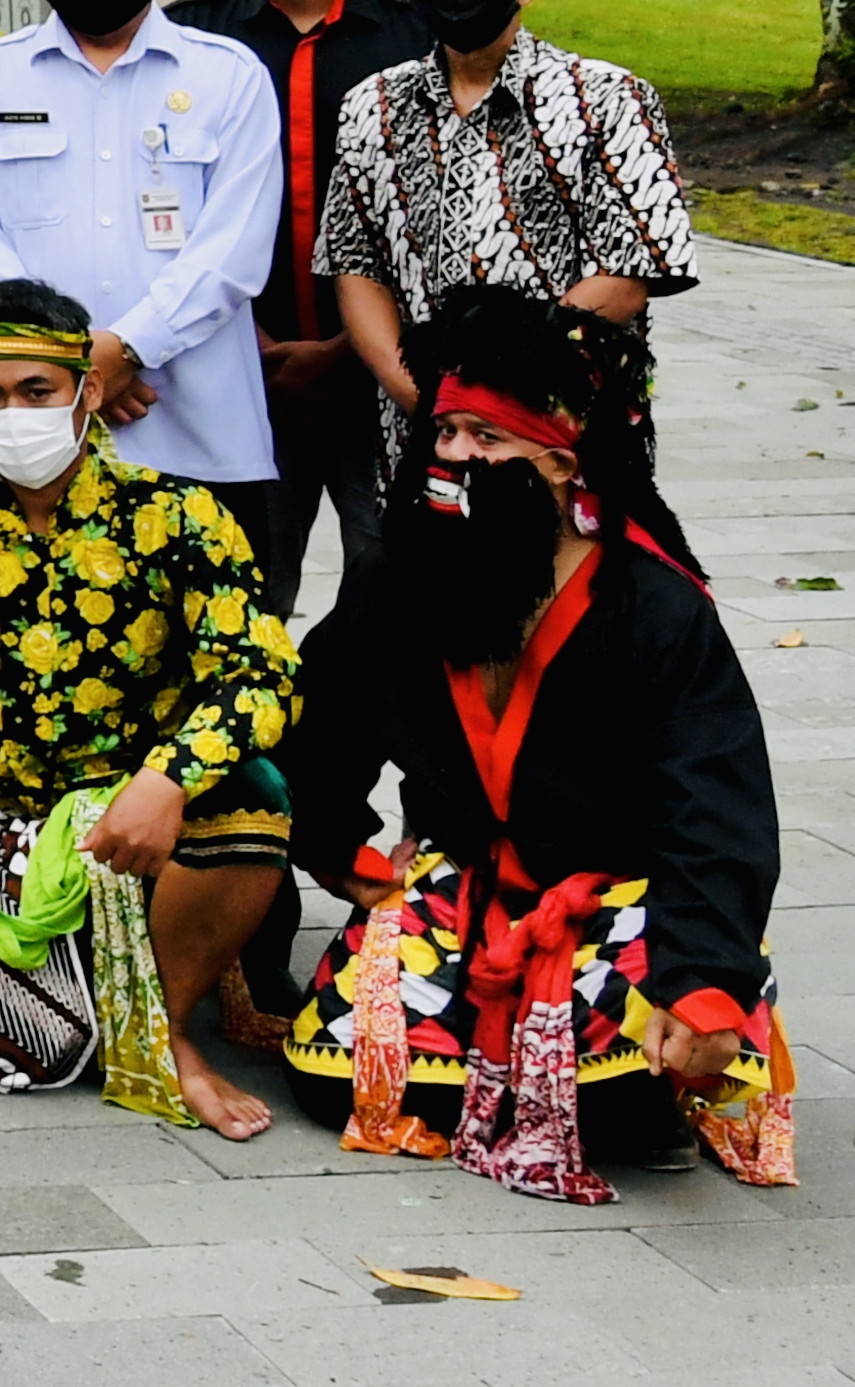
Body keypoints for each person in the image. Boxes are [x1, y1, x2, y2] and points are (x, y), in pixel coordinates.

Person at [274, 286, 790, 1195]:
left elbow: (716, 804)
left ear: (558, 462)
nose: (455, 459)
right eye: (445, 433)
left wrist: (703, 980)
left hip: (618, 892)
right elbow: (313, 728)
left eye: (487, 440)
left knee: (650, 1059)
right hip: (461, 876)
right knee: (333, 1067)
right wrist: (332, 840)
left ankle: (640, 1066)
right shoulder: (398, 579)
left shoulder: (653, 603)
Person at [0, 278, 300, 1137]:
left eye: (35, 391)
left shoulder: (175, 512)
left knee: (253, 794)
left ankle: (168, 1031)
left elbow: (260, 673)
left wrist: (164, 779)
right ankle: (73, 994)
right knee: (3, 1042)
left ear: (86, 390)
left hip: (130, 828)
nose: (12, 413)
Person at [0, 0, 289, 577]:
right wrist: (67, 360)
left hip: (198, 437)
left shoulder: (227, 75)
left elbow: (233, 249)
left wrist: (125, 350)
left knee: (211, 671)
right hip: (35, 439)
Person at [314, 0, 696, 466]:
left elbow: (627, 275)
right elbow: (355, 268)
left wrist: (497, 400)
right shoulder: (372, 105)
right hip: (422, 432)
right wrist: (427, 398)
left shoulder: (606, 99)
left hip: (565, 428)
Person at [172, 0, 424, 621]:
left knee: (396, 592)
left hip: (388, 376)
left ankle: (379, 751)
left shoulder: (417, 44)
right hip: (231, 374)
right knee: (239, 607)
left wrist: (354, 349)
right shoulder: (186, 44)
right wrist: (246, 339)